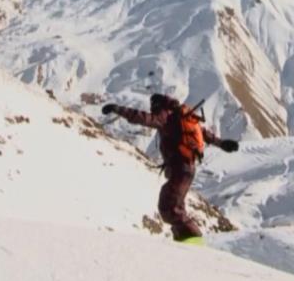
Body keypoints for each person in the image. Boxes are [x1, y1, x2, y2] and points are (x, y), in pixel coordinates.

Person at [102, 93, 239, 242]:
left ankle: (195, 241)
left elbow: (143, 118)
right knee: (175, 206)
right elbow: (204, 133)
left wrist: (117, 109)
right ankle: (182, 240)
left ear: (157, 105)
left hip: (180, 168)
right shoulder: (181, 117)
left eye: (152, 106)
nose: (151, 109)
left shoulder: (165, 116)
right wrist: (222, 143)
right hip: (187, 168)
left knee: (169, 208)